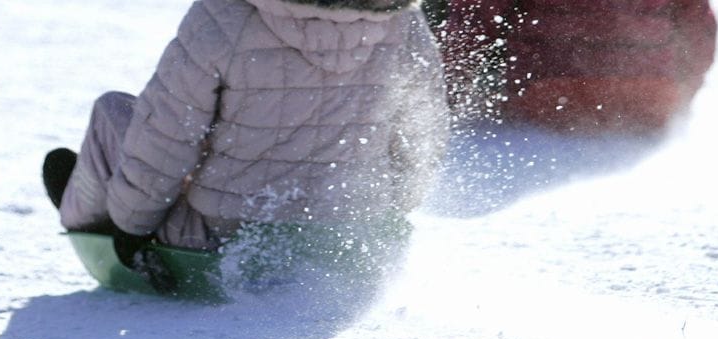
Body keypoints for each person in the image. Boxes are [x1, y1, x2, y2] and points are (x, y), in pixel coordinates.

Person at [43, 0, 449, 287]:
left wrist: (133, 227)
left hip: (222, 241)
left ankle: (86, 208)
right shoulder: (404, 23)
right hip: (343, 237)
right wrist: (385, 214)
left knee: (113, 112)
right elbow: (421, 139)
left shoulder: (224, 15)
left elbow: (166, 136)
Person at [438, 0, 717, 133]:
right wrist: (683, 95)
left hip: (548, 95)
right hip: (652, 98)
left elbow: (470, 26)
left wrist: (447, 101)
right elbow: (699, 31)